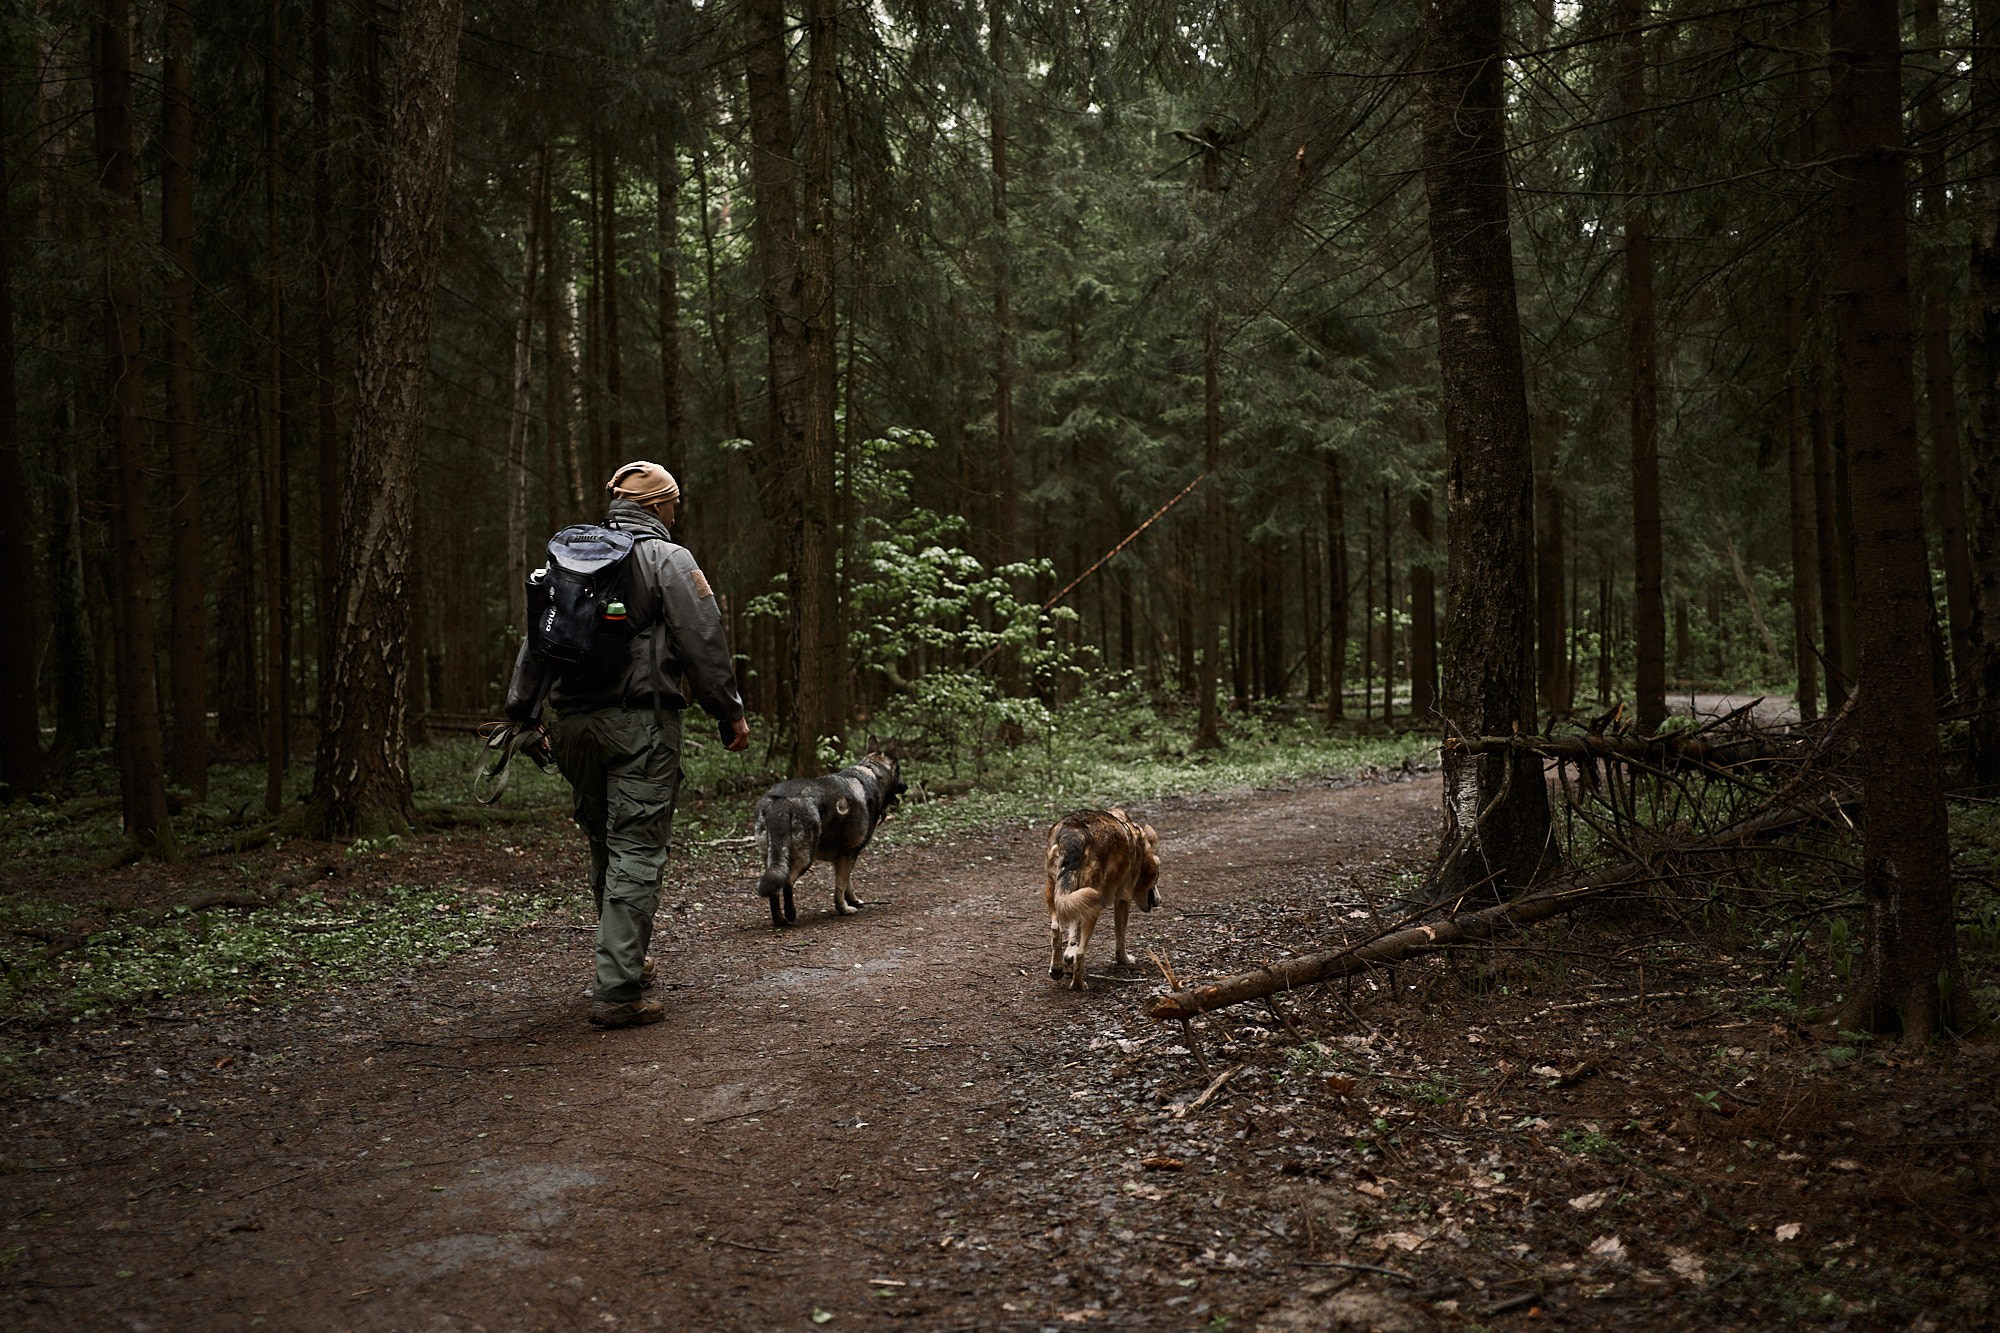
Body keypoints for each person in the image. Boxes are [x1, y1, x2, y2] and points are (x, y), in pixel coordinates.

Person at [506, 461, 751, 1028]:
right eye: (674, 504)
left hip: (572, 725)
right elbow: (703, 639)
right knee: (636, 848)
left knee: (606, 842)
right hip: (639, 725)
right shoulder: (668, 559)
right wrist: (729, 712)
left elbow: (538, 639)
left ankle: (626, 963)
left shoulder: (571, 558)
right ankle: (618, 990)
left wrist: (523, 712)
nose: (676, 514)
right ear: (657, 506)